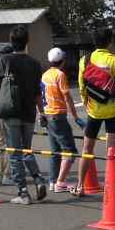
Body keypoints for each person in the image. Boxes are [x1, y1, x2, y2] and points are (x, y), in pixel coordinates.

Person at [73, 27, 115, 196]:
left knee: (87, 149)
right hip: (112, 110)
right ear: (110, 42)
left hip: (93, 110)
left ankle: (79, 186)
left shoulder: (84, 60)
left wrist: (85, 98)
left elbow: (81, 84)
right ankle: (111, 187)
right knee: (111, 150)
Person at [0, 25, 48, 205]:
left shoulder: (4, 61)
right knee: (26, 150)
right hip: (29, 113)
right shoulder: (34, 64)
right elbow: (38, 92)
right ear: (27, 42)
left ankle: (23, 193)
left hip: (10, 113)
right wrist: (42, 113)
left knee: (14, 153)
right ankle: (38, 179)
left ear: (11, 41)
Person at [41, 47, 82, 193]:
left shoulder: (45, 75)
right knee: (70, 150)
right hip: (58, 116)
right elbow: (67, 97)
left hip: (48, 115)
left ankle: (53, 182)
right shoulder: (60, 75)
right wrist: (76, 117)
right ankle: (60, 182)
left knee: (55, 151)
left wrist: (41, 114)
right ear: (62, 61)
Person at [0, 45, 14, 185]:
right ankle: (7, 175)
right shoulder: (13, 70)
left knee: (0, 144)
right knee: (10, 144)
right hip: (11, 111)